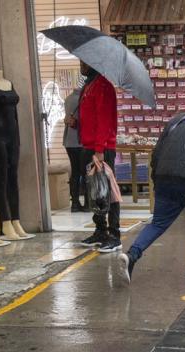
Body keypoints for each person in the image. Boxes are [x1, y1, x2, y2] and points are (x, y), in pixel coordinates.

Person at [119, 91, 185, 283]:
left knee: (158, 223)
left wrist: (156, 179)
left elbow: (158, 151)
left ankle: (132, 255)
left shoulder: (177, 119)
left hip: (164, 178)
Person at [77, 61, 121, 252]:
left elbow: (104, 119)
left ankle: (114, 234)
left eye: (83, 62)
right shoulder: (89, 85)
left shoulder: (103, 86)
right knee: (95, 191)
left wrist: (99, 149)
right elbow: (91, 117)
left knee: (107, 191)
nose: (81, 65)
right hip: (89, 145)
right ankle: (100, 230)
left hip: (100, 148)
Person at [63, 85, 87, 213]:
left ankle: (75, 203)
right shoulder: (83, 99)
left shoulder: (67, 99)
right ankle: (88, 203)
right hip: (80, 140)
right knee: (85, 172)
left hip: (68, 141)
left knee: (75, 172)